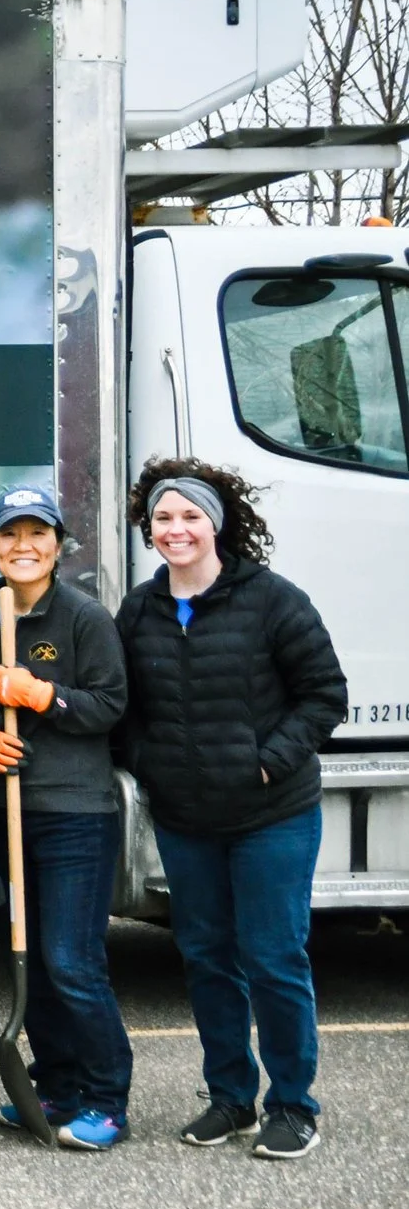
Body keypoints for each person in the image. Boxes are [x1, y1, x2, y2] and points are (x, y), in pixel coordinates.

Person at [116, 459, 347, 1161]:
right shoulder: (140, 610)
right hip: (187, 820)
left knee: (273, 956)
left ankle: (292, 1104)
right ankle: (230, 1096)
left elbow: (324, 695)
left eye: (190, 514)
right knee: (208, 957)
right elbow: (125, 709)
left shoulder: (272, 600)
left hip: (271, 814)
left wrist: (267, 759)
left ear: (216, 522)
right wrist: (153, 766)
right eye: (163, 517)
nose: (176, 528)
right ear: (149, 530)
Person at [0, 484, 135, 1150]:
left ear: (58, 544)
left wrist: (43, 695)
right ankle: (57, 1083)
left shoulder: (84, 617)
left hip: (74, 813)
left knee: (69, 958)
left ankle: (107, 1095)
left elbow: (112, 704)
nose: (23, 546)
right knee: (22, 952)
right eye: (10, 534)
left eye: (37, 534)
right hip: (6, 812)